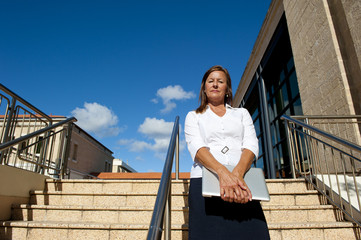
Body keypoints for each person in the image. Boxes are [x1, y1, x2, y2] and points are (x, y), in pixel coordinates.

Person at [184, 65, 270, 239]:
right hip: (204, 181)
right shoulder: (193, 116)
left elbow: (251, 144)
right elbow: (197, 148)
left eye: (220, 81)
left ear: (227, 89)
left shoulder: (242, 114)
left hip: (241, 182)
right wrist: (223, 174)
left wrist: (236, 175)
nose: (215, 84)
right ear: (204, 88)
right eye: (211, 81)